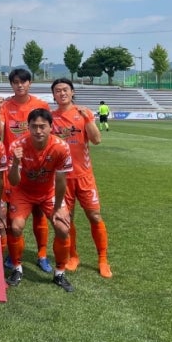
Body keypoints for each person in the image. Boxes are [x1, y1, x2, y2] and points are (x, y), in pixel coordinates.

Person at [5, 108, 74, 292]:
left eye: (42, 126)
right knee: (15, 226)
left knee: (62, 228)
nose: (38, 131)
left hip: (48, 192)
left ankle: (60, 273)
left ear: (51, 127)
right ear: (27, 127)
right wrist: (17, 163)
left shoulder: (61, 147)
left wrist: (59, 207)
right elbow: (13, 181)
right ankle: (17, 268)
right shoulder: (16, 146)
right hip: (23, 192)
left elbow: (60, 181)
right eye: (34, 126)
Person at [0, 68, 53, 272]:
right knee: (13, 215)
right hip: (14, 167)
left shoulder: (40, 105)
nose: (19, 85)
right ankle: (14, 253)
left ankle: (42, 255)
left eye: (23, 82)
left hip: (37, 166)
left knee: (39, 212)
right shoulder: (5, 105)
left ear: (30, 83)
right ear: (11, 84)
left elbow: (47, 132)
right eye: (15, 82)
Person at [51, 79, 112, 278]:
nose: (62, 93)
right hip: (61, 178)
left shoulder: (83, 113)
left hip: (84, 176)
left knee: (94, 215)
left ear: (72, 92)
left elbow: (96, 140)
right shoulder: (51, 118)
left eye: (65, 90)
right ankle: (73, 256)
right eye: (58, 91)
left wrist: (89, 120)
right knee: (67, 219)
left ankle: (103, 259)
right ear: (53, 95)